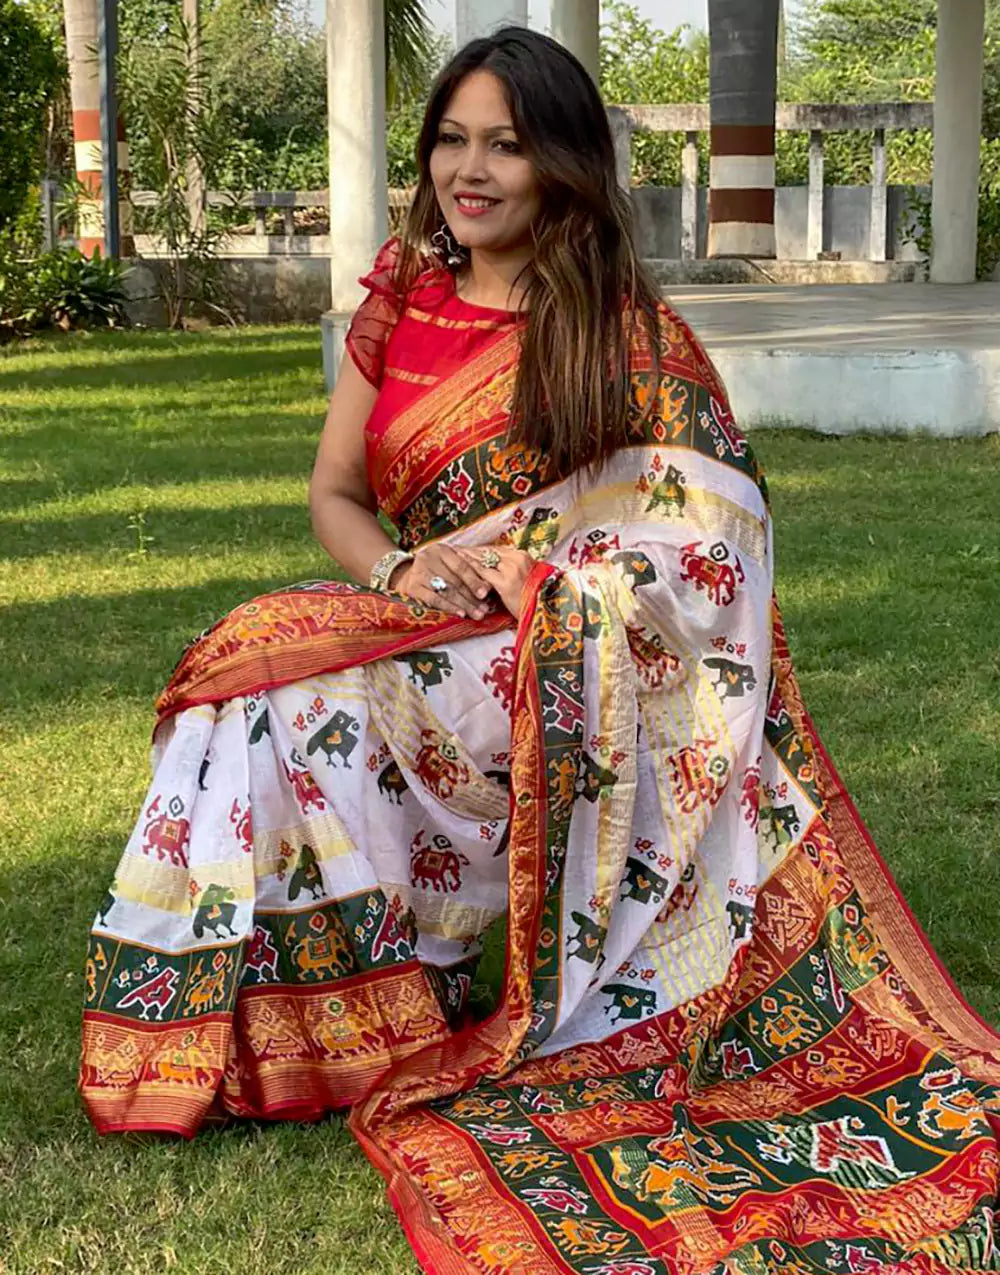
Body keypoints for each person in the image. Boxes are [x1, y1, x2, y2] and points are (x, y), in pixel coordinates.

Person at [81, 26, 999, 1275]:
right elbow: (336, 494)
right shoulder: (401, 299)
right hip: (420, 613)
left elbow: (707, 544)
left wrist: (556, 587)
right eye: (451, 141)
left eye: (504, 145)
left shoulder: (622, 332)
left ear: (559, 163)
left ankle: (412, 985)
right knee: (251, 675)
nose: (470, 171)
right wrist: (399, 568)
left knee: (299, 685)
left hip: (561, 658)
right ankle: (322, 1019)